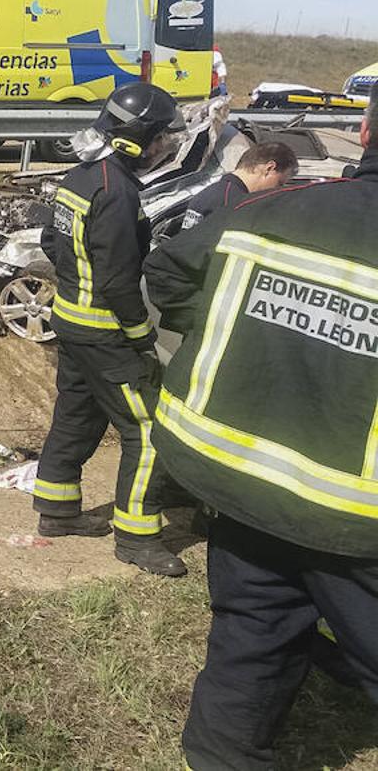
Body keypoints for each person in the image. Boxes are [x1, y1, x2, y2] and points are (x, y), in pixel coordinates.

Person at [142, 83, 378, 769]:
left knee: (253, 628)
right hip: (355, 518)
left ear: (363, 133)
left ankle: (223, 754)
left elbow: (170, 271)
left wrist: (243, 336)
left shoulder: (271, 212)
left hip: (246, 480)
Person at [32, 82, 189, 577]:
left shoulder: (80, 177)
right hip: (105, 332)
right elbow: (121, 282)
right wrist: (141, 336)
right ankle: (138, 538)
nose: (166, 147)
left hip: (71, 322)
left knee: (76, 416)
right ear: (141, 135)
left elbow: (51, 244)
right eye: (164, 137)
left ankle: (56, 511)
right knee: (146, 429)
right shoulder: (117, 193)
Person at [181, 142, 298, 230]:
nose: (278, 190)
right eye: (280, 183)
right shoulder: (236, 204)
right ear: (269, 168)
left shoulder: (210, 193)